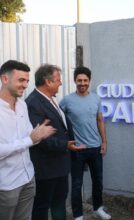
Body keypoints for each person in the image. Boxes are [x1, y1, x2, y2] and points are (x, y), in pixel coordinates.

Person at [25, 64, 86, 220]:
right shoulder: (33, 103)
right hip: (46, 169)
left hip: (60, 165)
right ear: (47, 82)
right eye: (58, 80)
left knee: (59, 204)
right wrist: (65, 145)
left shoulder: (51, 99)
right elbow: (40, 138)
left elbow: (62, 128)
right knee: (42, 208)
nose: (60, 83)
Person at [0, 60, 56, 220]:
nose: (25, 85)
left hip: (28, 178)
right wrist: (31, 139)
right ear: (5, 79)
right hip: (6, 185)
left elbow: (30, 136)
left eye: (27, 81)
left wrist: (39, 134)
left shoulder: (23, 105)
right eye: (21, 80)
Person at [60, 66, 111, 220]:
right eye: (79, 80)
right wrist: (65, 140)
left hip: (95, 148)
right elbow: (59, 121)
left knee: (98, 181)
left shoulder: (96, 98)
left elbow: (100, 120)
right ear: (75, 81)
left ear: (89, 81)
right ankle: (78, 216)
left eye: (85, 80)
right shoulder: (67, 100)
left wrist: (104, 142)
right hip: (77, 149)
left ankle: (98, 208)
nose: (82, 83)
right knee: (76, 185)